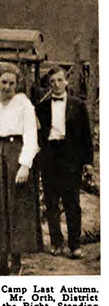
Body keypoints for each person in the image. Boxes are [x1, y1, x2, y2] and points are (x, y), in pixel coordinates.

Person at [0, 68, 40, 275]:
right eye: (3, 82)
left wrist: (25, 164)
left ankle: (17, 261)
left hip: (15, 153)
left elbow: (31, 135)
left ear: (17, 85)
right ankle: (1, 261)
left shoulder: (24, 104)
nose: (7, 87)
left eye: (11, 83)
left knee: (16, 206)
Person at [36, 65, 93, 259]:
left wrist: (88, 162)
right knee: (51, 203)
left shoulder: (78, 105)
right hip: (50, 156)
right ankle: (56, 243)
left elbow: (86, 136)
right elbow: (38, 135)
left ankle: (75, 245)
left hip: (71, 157)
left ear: (66, 81)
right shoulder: (41, 107)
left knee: (72, 203)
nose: (56, 85)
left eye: (60, 80)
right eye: (52, 82)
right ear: (48, 85)